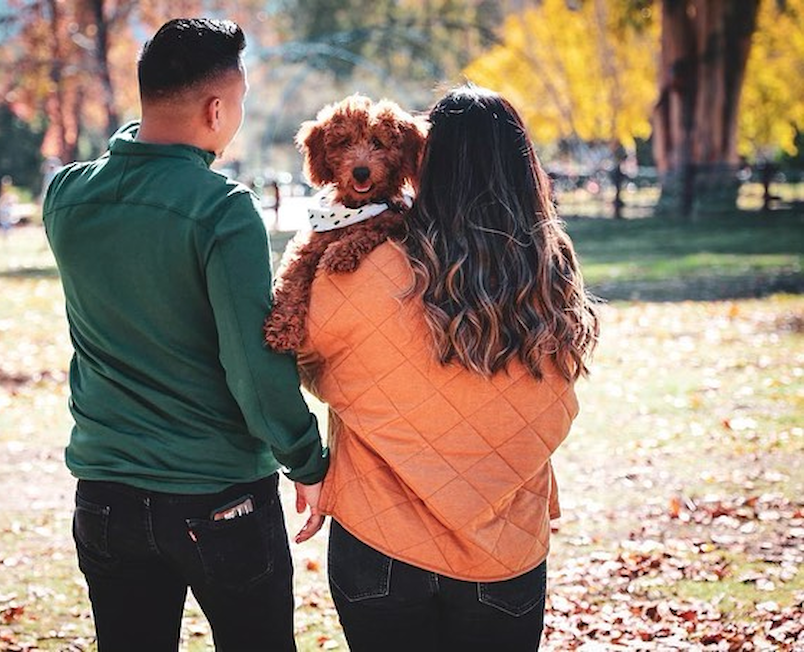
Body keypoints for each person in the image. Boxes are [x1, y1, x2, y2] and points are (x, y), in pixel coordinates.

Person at [42, 18, 327, 651]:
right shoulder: (221, 207)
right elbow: (253, 366)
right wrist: (307, 458)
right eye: (241, 103)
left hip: (106, 494)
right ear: (216, 107)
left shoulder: (64, 196)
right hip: (219, 497)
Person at [296, 85, 599, 651]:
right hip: (503, 546)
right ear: (523, 168)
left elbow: (304, 352)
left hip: (378, 536)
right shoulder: (547, 268)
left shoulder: (365, 264)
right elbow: (554, 398)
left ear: (422, 162)